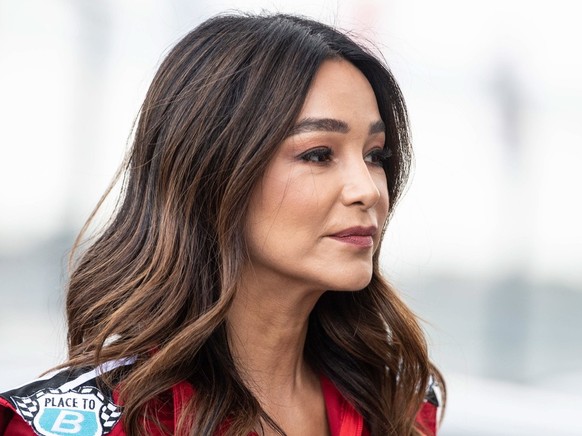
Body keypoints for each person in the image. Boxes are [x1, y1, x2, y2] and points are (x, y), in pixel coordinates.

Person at [0, 13, 444, 436]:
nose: (367, 190)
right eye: (317, 154)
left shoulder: (397, 400)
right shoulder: (90, 422)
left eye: (375, 155)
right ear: (215, 169)